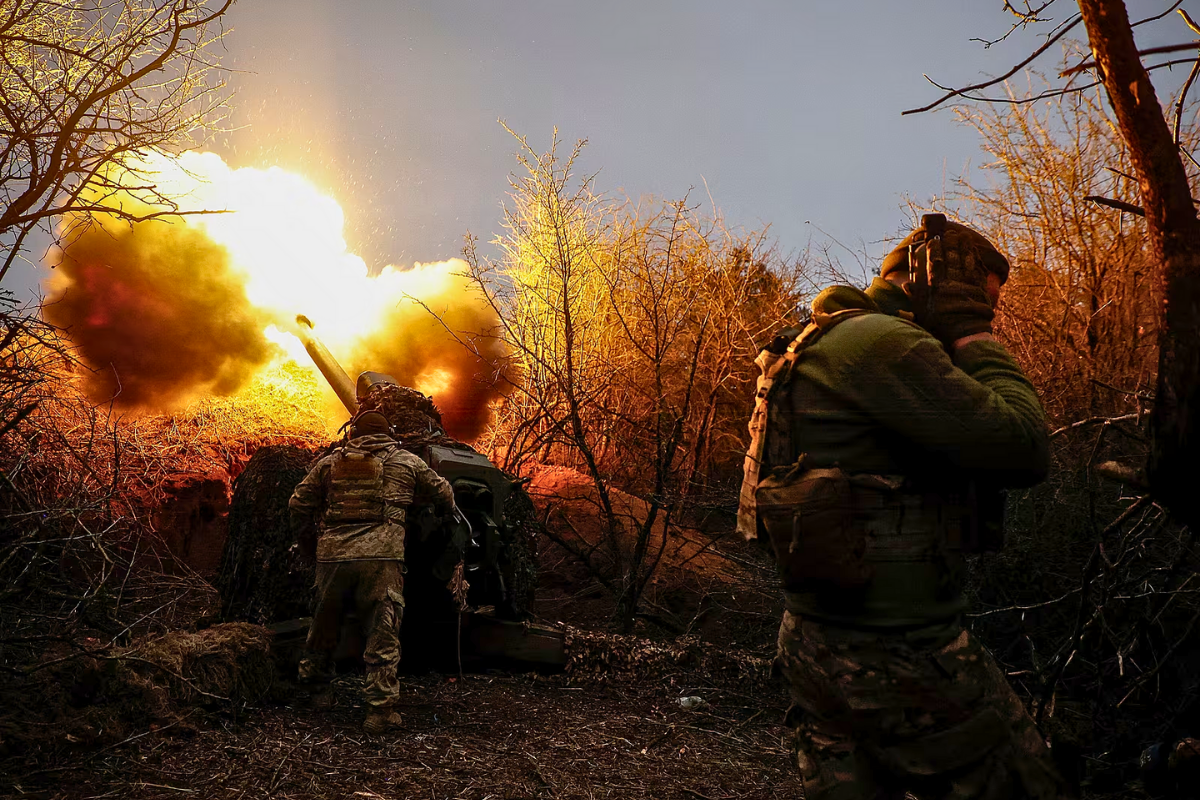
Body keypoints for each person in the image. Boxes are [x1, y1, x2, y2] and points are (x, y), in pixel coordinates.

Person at [740, 214, 1073, 798]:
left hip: (813, 640)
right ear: (946, 287)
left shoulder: (822, 338)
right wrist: (973, 333)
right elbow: (1024, 447)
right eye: (984, 299)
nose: (989, 313)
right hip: (896, 650)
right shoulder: (884, 344)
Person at [289, 409, 456, 735]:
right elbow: (445, 494)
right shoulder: (406, 462)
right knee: (381, 632)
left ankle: (316, 693)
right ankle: (379, 713)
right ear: (388, 433)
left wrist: (310, 544)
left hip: (333, 558)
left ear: (353, 433)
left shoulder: (330, 463)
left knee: (323, 626)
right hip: (381, 559)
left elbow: (297, 504)